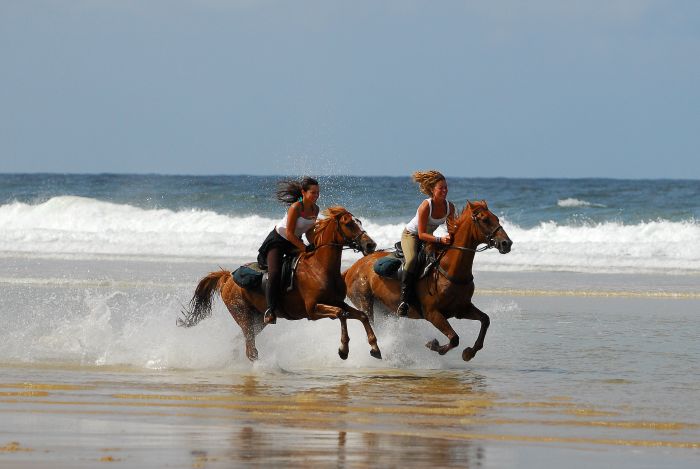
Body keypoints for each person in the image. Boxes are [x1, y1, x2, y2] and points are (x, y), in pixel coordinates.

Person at [257, 177, 320, 325]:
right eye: (313, 192)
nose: (316, 195)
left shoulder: (315, 209)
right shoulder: (296, 207)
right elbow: (290, 234)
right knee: (275, 273)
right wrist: (304, 248)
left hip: (294, 242)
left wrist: (316, 244)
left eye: (318, 193)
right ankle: (271, 310)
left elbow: (309, 231)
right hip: (278, 241)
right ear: (303, 192)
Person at [397, 170, 455, 316]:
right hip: (412, 235)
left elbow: (451, 230)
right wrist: (440, 239)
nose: (444, 190)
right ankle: (404, 301)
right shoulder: (425, 206)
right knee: (412, 260)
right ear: (432, 190)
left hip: (429, 237)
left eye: (446, 187)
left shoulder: (450, 207)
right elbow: (422, 234)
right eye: (441, 188)